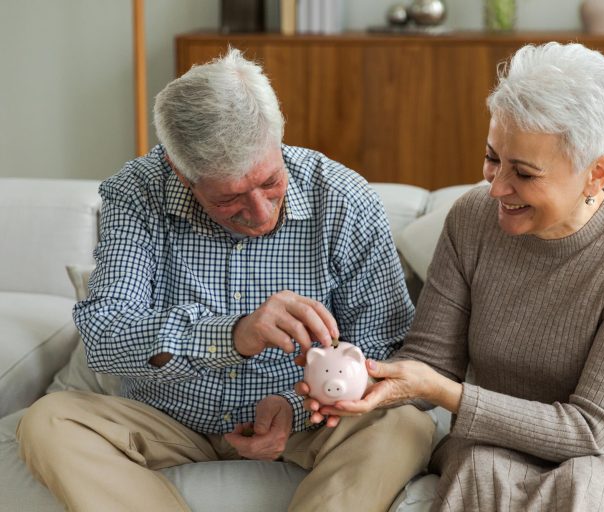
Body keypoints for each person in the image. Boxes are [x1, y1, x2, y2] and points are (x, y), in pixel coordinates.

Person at [306, 43, 604, 511]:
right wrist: (362, 385)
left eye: (524, 174)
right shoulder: (471, 218)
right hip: (503, 437)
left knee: (584, 487)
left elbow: (596, 430)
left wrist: (445, 393)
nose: (496, 187)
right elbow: (432, 362)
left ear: (596, 173)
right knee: (478, 470)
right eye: (493, 158)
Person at [16, 48, 434, 512]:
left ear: (279, 137)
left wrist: (297, 406)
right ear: (180, 172)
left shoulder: (344, 198)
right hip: (167, 418)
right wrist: (233, 335)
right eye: (228, 198)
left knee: (405, 425)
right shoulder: (136, 192)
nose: (260, 212)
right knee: (49, 421)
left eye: (270, 182)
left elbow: (385, 347)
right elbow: (105, 334)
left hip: (309, 424)